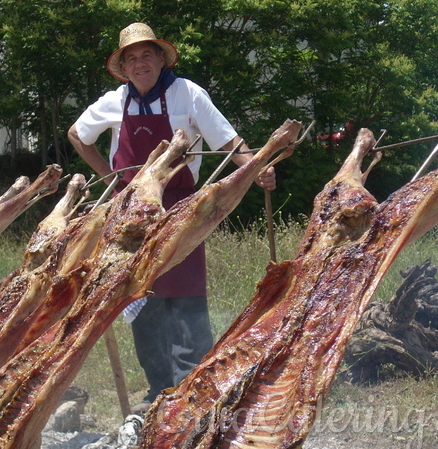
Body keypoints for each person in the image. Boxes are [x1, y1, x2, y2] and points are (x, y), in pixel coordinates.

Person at [68, 22, 280, 413]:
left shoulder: (187, 93)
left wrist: (256, 168)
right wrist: (111, 182)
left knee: (185, 301)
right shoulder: (115, 101)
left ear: (161, 58)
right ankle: (157, 391)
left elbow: (228, 140)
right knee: (141, 301)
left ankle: (191, 393)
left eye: (146, 54)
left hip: (182, 207)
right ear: (124, 67)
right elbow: (77, 135)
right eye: (131, 58)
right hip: (133, 212)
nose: (140, 63)